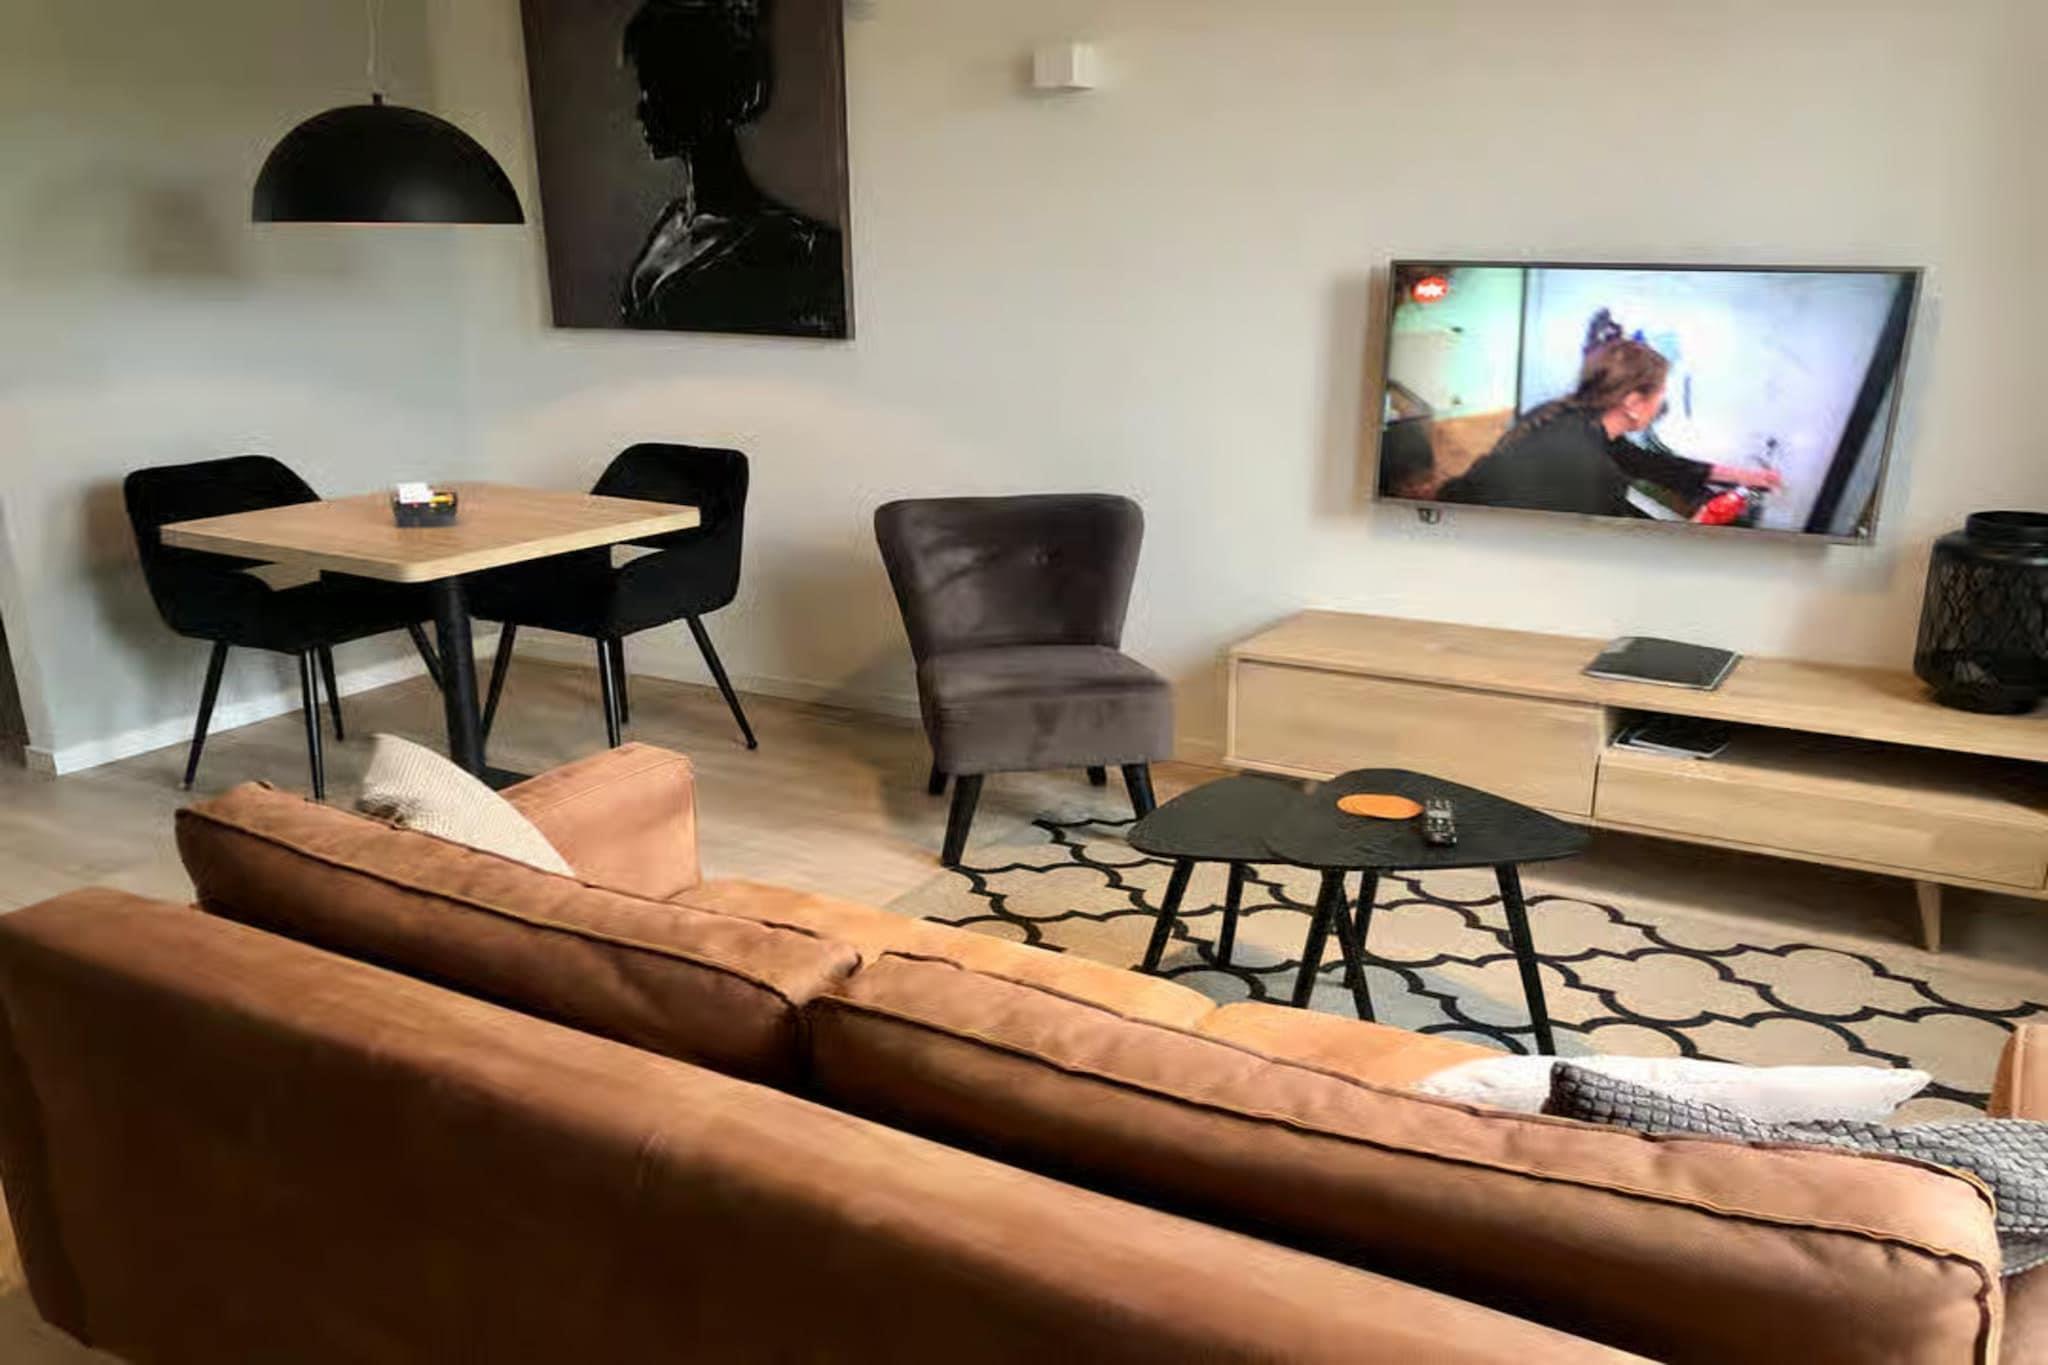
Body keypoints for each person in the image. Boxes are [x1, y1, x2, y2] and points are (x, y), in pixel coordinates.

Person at [620, 0, 848, 338]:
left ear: (700, 96)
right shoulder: (671, 219)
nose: (640, 111)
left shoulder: (792, 246)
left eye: (653, 90)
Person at [1439, 339, 1780, 518]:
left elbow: (1649, 463)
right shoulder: (1596, 475)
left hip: (1455, 510)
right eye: (1661, 393)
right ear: (1633, 402)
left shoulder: (1563, 415)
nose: (1662, 402)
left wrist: (1743, 476)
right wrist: (1703, 524)